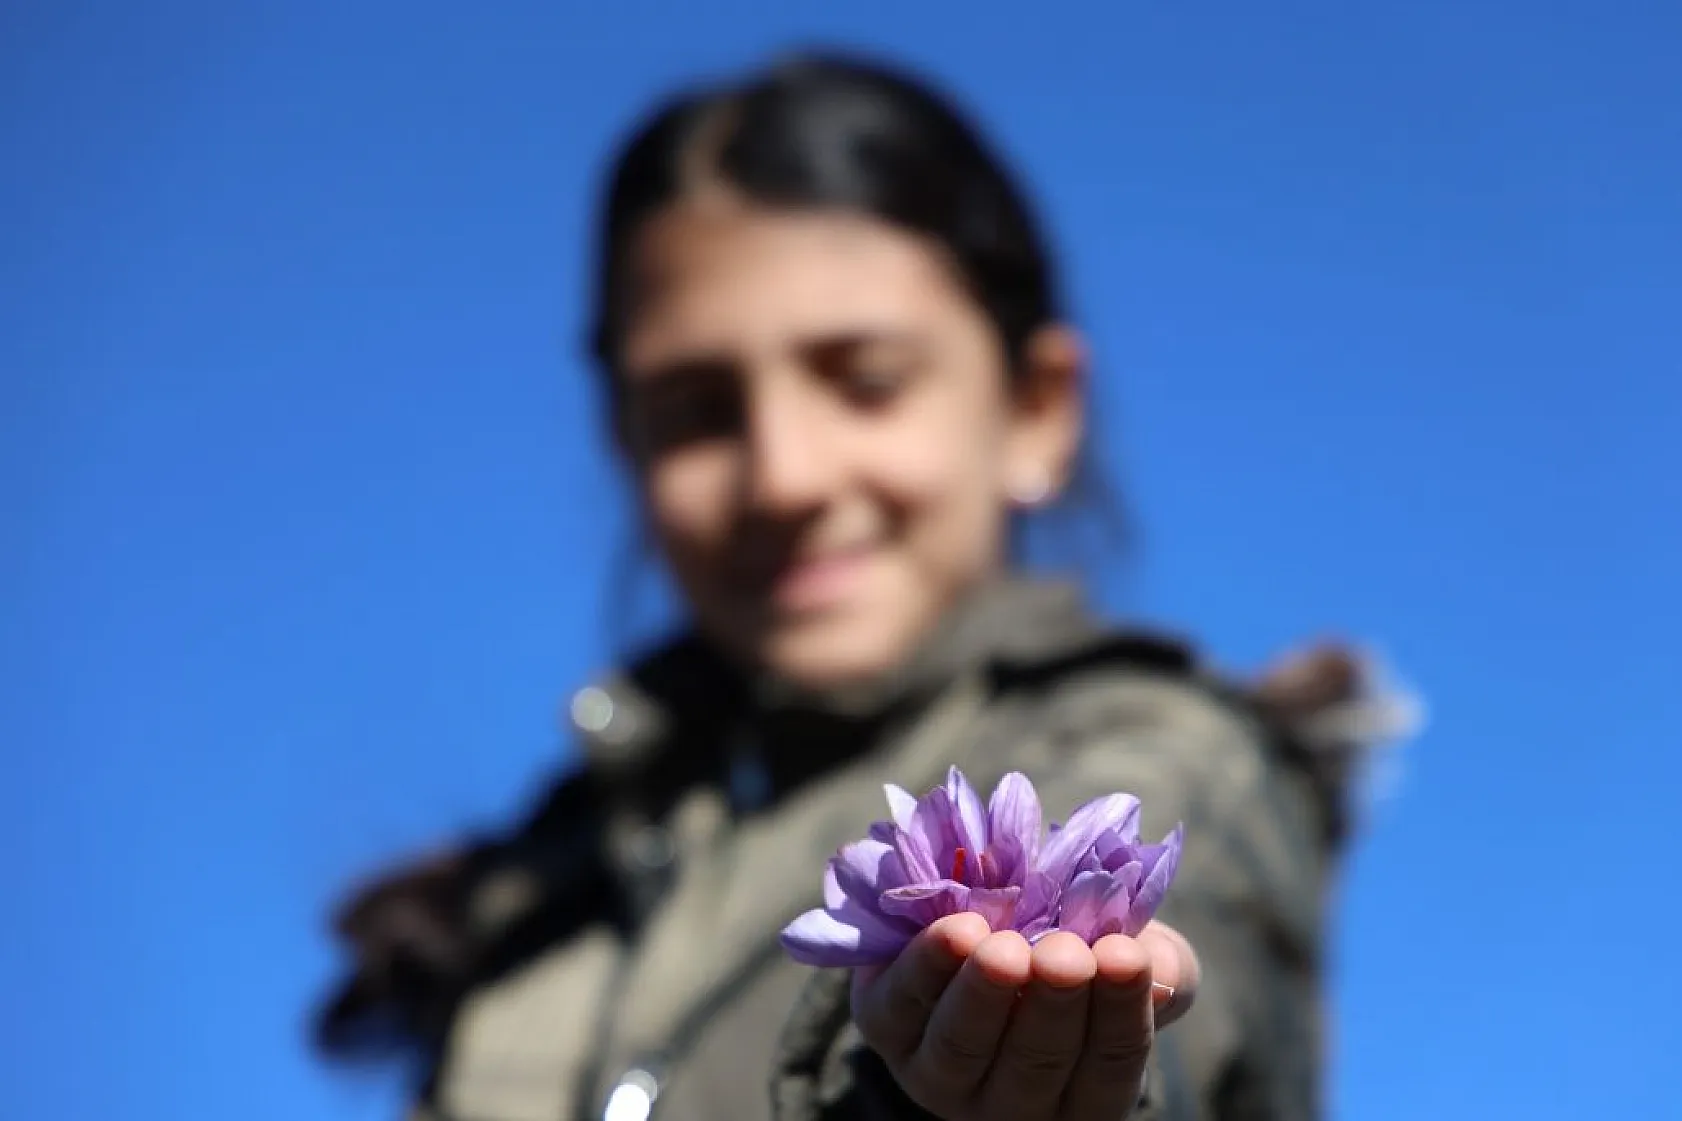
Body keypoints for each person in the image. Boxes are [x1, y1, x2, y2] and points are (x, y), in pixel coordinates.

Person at [312, 51, 1409, 1121]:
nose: (783, 475)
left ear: (1035, 409)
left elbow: (1170, 1005)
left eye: (867, 381)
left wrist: (956, 1082)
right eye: (696, 410)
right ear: (623, 448)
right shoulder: (548, 880)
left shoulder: (1158, 753)